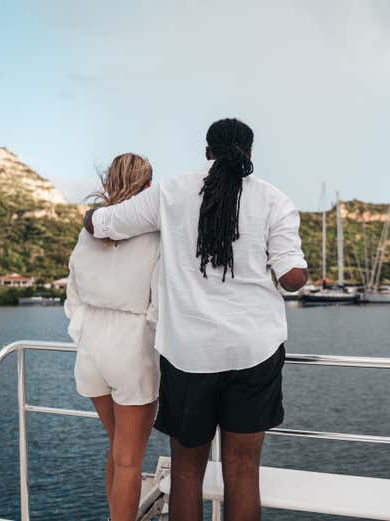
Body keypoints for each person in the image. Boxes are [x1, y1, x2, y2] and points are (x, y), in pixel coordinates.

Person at [84, 118, 308, 520]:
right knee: (244, 471)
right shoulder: (275, 201)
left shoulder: (170, 192)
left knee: (186, 472)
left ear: (207, 152)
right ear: (250, 155)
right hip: (253, 352)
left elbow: (105, 223)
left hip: (188, 355)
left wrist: (90, 218)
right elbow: (291, 277)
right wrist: (292, 271)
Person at [64, 153, 160, 521]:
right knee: (129, 460)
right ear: (149, 187)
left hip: (91, 346)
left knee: (117, 448)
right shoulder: (155, 232)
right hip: (131, 346)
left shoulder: (88, 231)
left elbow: (72, 294)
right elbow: (159, 302)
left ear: (108, 183)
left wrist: (88, 330)